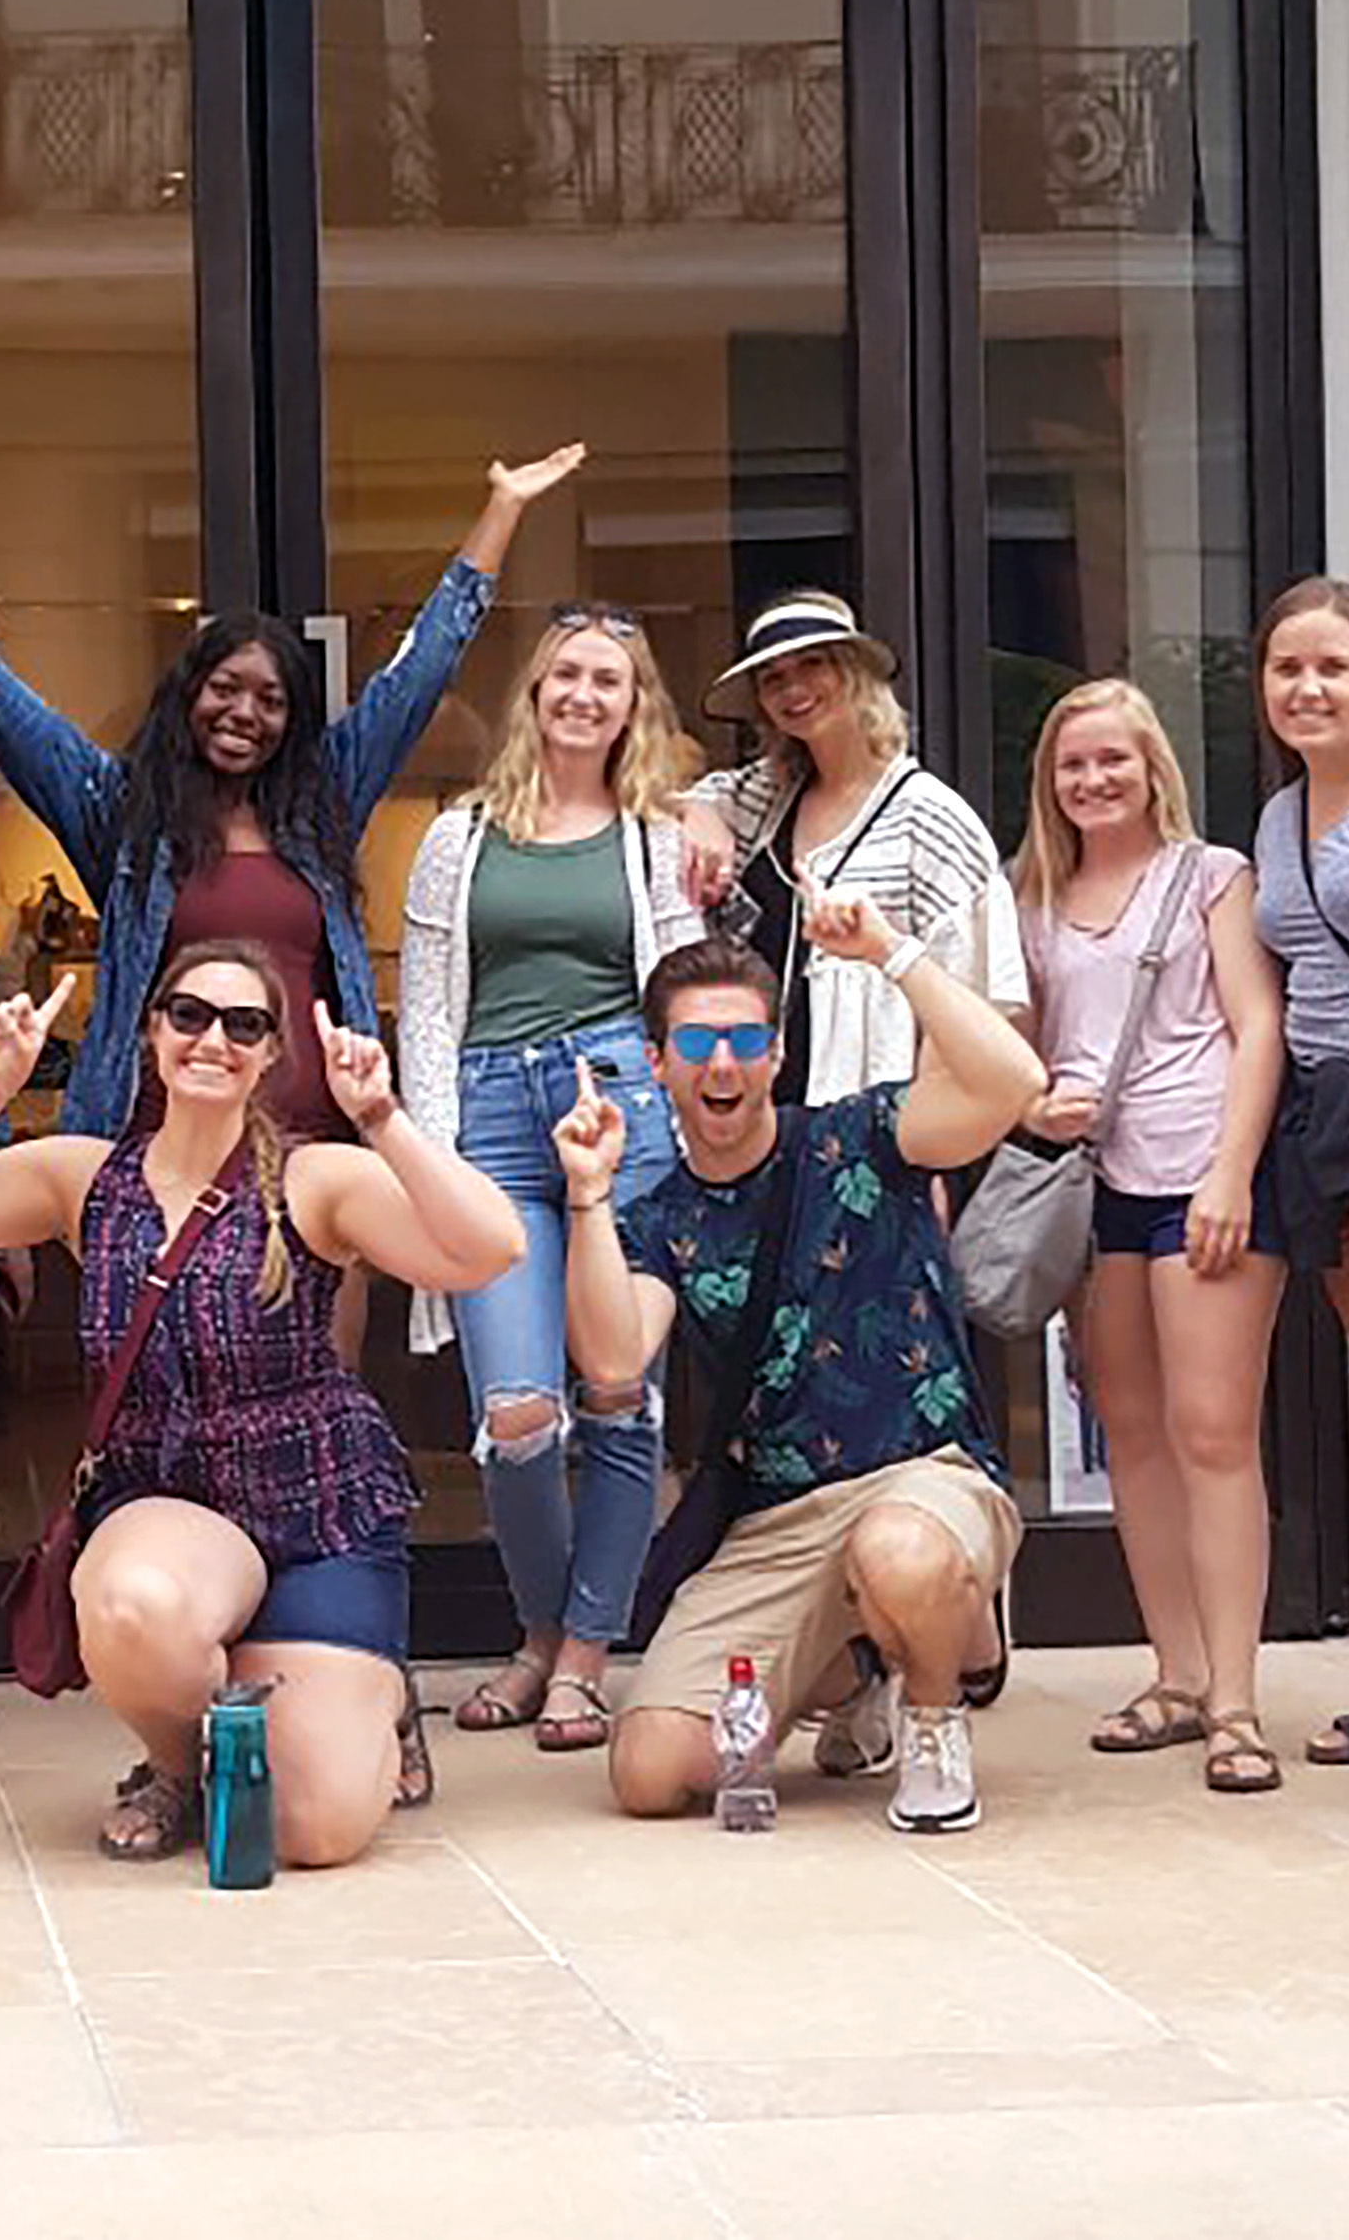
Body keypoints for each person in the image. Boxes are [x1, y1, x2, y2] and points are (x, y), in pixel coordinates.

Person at [0, 941, 526, 1866]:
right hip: (169, 1507)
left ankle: (352, 1694)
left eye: (243, 1023)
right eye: (189, 1014)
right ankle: (177, 1761)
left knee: (314, 1830)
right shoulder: (84, 1179)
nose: (213, 1038)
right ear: (150, 1032)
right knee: (133, 1607)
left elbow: (491, 1247)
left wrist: (383, 1116)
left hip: (313, 1503)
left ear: (268, 1053)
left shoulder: (315, 1179)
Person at [0, 433, 586, 1139]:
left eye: (270, 699)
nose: (243, 712)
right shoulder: (120, 813)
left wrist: (502, 509)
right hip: (158, 1152)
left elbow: (423, 667)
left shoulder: (327, 797)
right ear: (187, 694)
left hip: (319, 1151)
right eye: (224, 688)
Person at [557, 914, 1045, 1833]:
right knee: (650, 1770)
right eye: (696, 1043)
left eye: (744, 1040)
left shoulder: (861, 1135)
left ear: (776, 1053)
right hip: (779, 1518)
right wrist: (587, 1191)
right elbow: (615, 1362)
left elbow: (1013, 1081)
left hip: (920, 1475)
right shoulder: (658, 1219)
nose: (722, 1066)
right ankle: (863, 1659)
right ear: (657, 1061)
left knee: (899, 1556)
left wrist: (890, 956)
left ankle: (933, 1712)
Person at [397, 604, 702, 1752]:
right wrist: (428, 1160)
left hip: (619, 1110)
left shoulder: (661, 834)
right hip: (486, 1120)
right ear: (534, 692)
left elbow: (679, 992)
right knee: (517, 1413)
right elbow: (427, 1011)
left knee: (619, 1397)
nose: (584, 695)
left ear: (636, 707)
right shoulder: (459, 834)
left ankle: (576, 1658)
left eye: (609, 681)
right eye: (566, 674)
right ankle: (541, 1627)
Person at [1011, 679, 1285, 1794]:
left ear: (1152, 764)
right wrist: (1035, 1108)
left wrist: (1231, 1169)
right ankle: (1173, 1675)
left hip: (1202, 1173)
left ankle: (1235, 1700)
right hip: (1096, 1186)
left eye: (1113, 759)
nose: (1094, 781)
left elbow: (1256, 1022)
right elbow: (1017, 1048)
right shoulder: (1032, 893)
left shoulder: (1210, 876)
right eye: (1074, 764)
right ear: (1051, 778)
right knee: (1128, 1431)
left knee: (1214, 1430)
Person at [681, 591, 1028, 1102]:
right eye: (773, 677)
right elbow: (660, 800)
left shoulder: (930, 821)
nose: (793, 687)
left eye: (812, 664)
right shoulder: (768, 795)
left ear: (855, 673)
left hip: (872, 1114)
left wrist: (935, 1140)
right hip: (753, 1106)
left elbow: (979, 996)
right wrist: (698, 813)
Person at [1246, 578, 1349, 1768]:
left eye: (1332, 666)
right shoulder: (1280, 819)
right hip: (1318, 1121)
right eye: (1289, 669)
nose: (1310, 688)